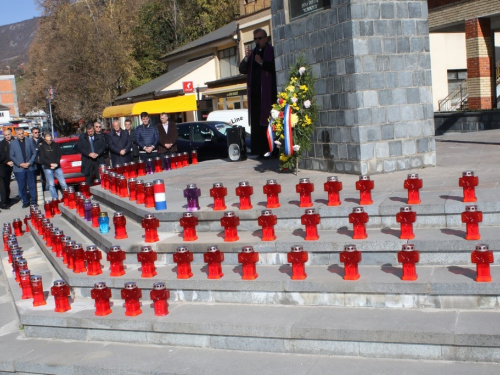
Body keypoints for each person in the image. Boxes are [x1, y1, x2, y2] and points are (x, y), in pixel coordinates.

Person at [239, 28, 277, 158]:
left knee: (268, 123)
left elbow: (274, 68)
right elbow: (242, 69)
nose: (257, 41)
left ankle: (272, 150)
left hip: (268, 95)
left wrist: (261, 63)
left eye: (259, 38)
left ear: (266, 38)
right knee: (257, 124)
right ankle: (260, 151)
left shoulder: (271, 51)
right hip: (255, 97)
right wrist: (246, 58)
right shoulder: (252, 53)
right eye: (255, 39)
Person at [9, 127, 38, 208]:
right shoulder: (13, 143)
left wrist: (29, 162)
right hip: (19, 168)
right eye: (19, 134)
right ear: (16, 135)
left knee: (32, 185)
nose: (21, 135)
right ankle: (25, 202)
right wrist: (20, 164)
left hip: (30, 167)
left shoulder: (29, 141)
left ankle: (33, 201)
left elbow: (34, 153)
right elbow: (11, 155)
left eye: (22, 133)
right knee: (22, 186)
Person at [38, 133, 68, 199]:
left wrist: (56, 163)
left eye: (50, 140)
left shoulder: (56, 145)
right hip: (47, 167)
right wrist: (50, 164)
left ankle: (67, 196)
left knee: (63, 183)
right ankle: (55, 198)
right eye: (48, 140)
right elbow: (42, 157)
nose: (49, 141)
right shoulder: (42, 146)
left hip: (57, 166)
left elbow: (59, 155)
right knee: (51, 184)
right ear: (45, 139)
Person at [0, 129, 14, 209]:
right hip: (3, 167)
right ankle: (3, 203)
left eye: (8, 134)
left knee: (8, 184)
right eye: (5, 135)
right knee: (3, 186)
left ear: (11, 134)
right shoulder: (1, 144)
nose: (7, 136)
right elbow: (1, 156)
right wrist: (7, 162)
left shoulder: (15, 142)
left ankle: (7, 199)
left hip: (13, 165)